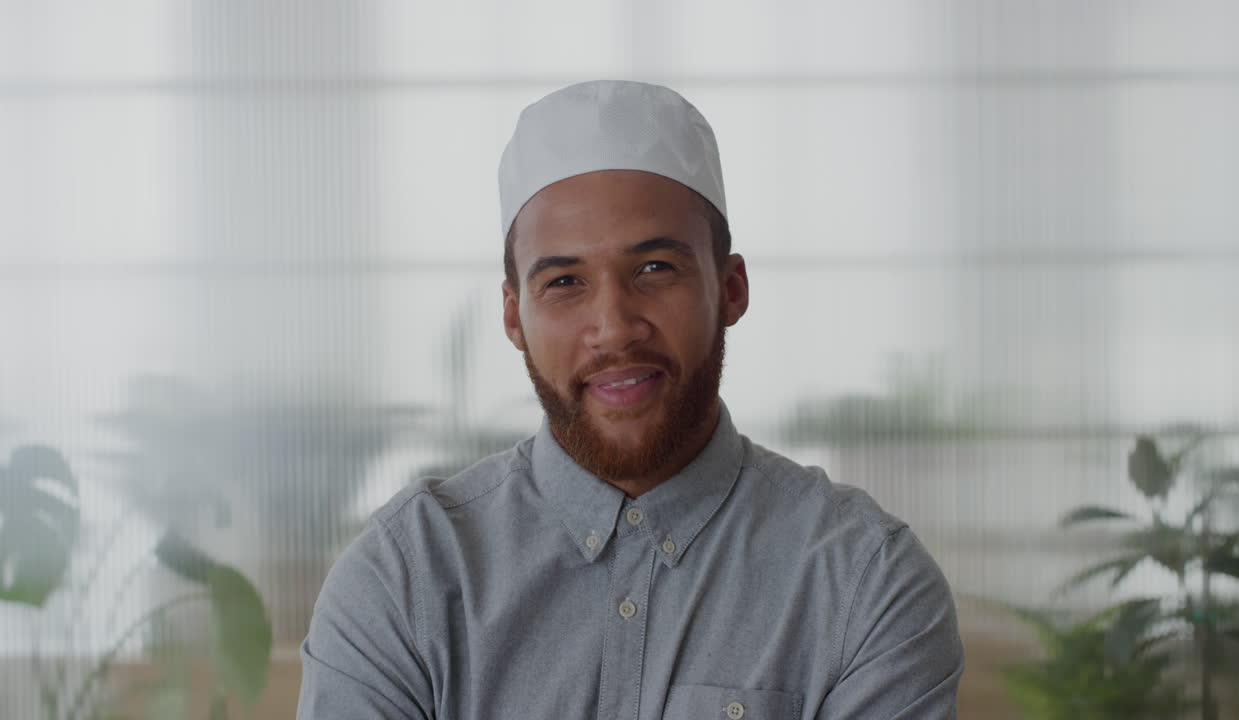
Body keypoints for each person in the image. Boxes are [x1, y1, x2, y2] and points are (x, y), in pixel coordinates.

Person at [298, 80, 964, 719]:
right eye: (564, 281)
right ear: (513, 316)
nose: (614, 327)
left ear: (730, 289)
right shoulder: (407, 574)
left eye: (654, 269)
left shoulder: (863, 582)